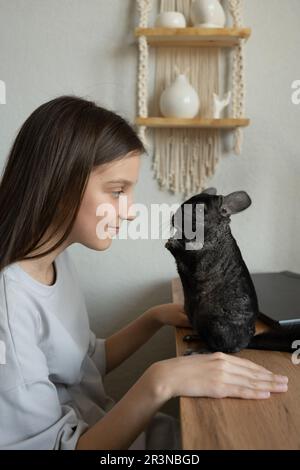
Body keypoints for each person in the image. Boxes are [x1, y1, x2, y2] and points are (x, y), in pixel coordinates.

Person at [0, 96, 288, 450]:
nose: (131, 211)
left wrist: (155, 317)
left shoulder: (55, 261)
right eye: (118, 191)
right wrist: (160, 381)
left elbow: (84, 363)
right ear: (60, 185)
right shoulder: (9, 310)